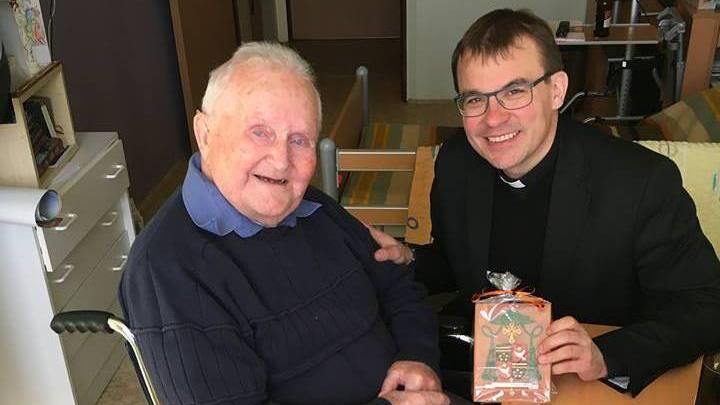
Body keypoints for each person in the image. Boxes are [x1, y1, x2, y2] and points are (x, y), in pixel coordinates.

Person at [369, 8, 720, 396]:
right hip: (491, 374)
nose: (493, 119)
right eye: (475, 99)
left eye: (514, 92)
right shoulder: (456, 163)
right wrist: (409, 258)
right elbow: (457, 263)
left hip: (589, 388)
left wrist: (606, 355)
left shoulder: (640, 181)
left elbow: (706, 305)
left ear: (556, 90)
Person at [119, 42, 451, 405]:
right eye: (259, 132)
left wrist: (418, 355)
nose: (281, 161)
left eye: (299, 140)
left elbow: (397, 285)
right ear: (205, 133)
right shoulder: (169, 271)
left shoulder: (312, 207)